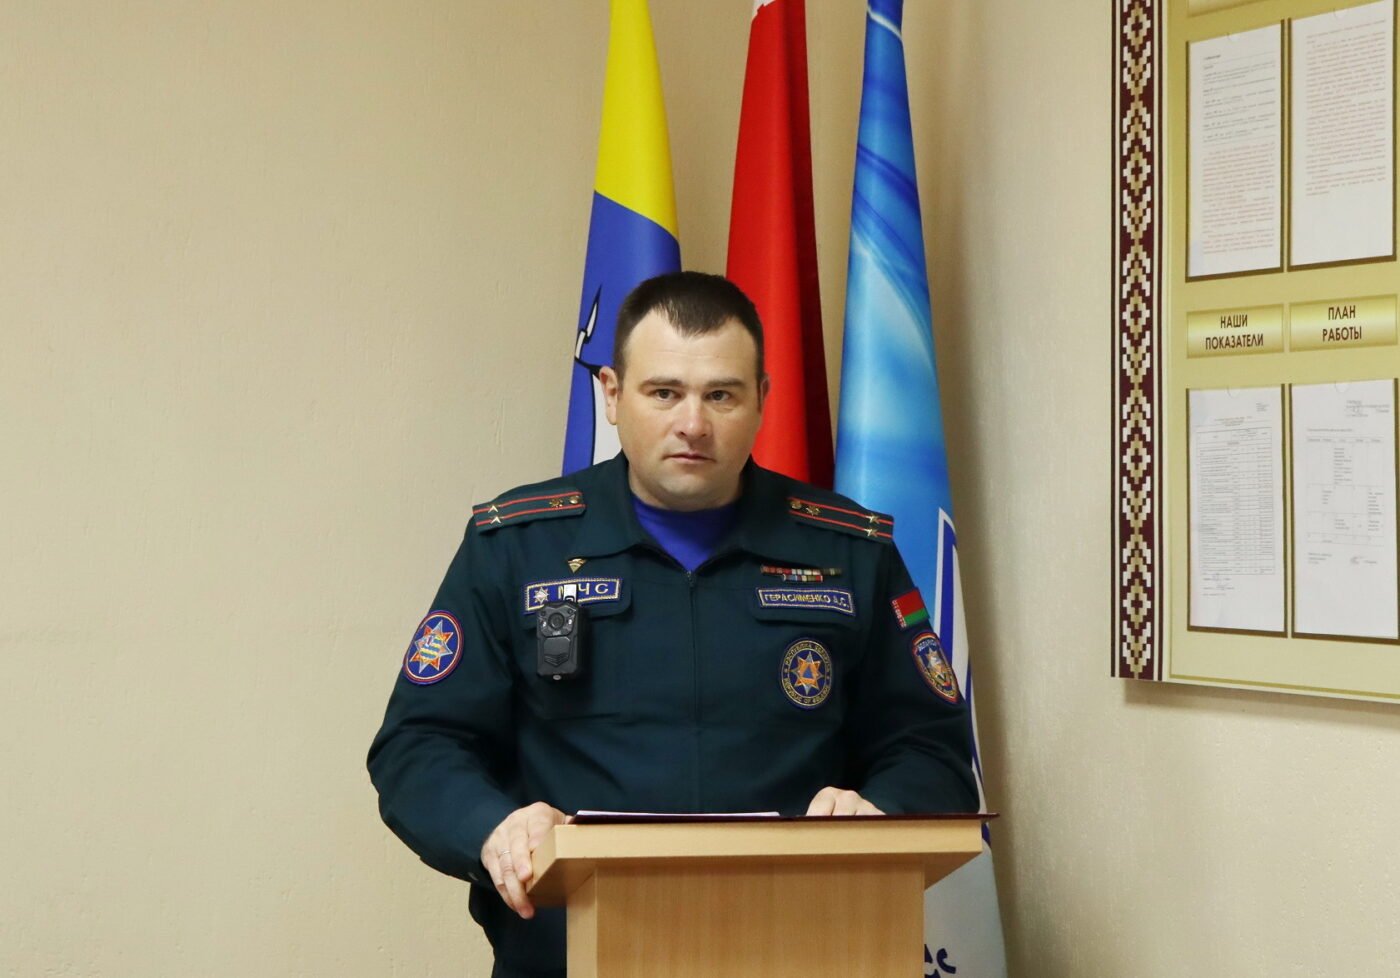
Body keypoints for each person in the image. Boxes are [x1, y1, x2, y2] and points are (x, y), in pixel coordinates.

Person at [368, 271, 976, 978]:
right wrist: (494, 829)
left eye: (722, 395)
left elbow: (930, 750)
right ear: (611, 395)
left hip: (802, 946)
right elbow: (420, 744)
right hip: (572, 951)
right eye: (664, 393)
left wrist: (878, 811)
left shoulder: (848, 552)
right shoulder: (517, 546)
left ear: (762, 400)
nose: (693, 424)